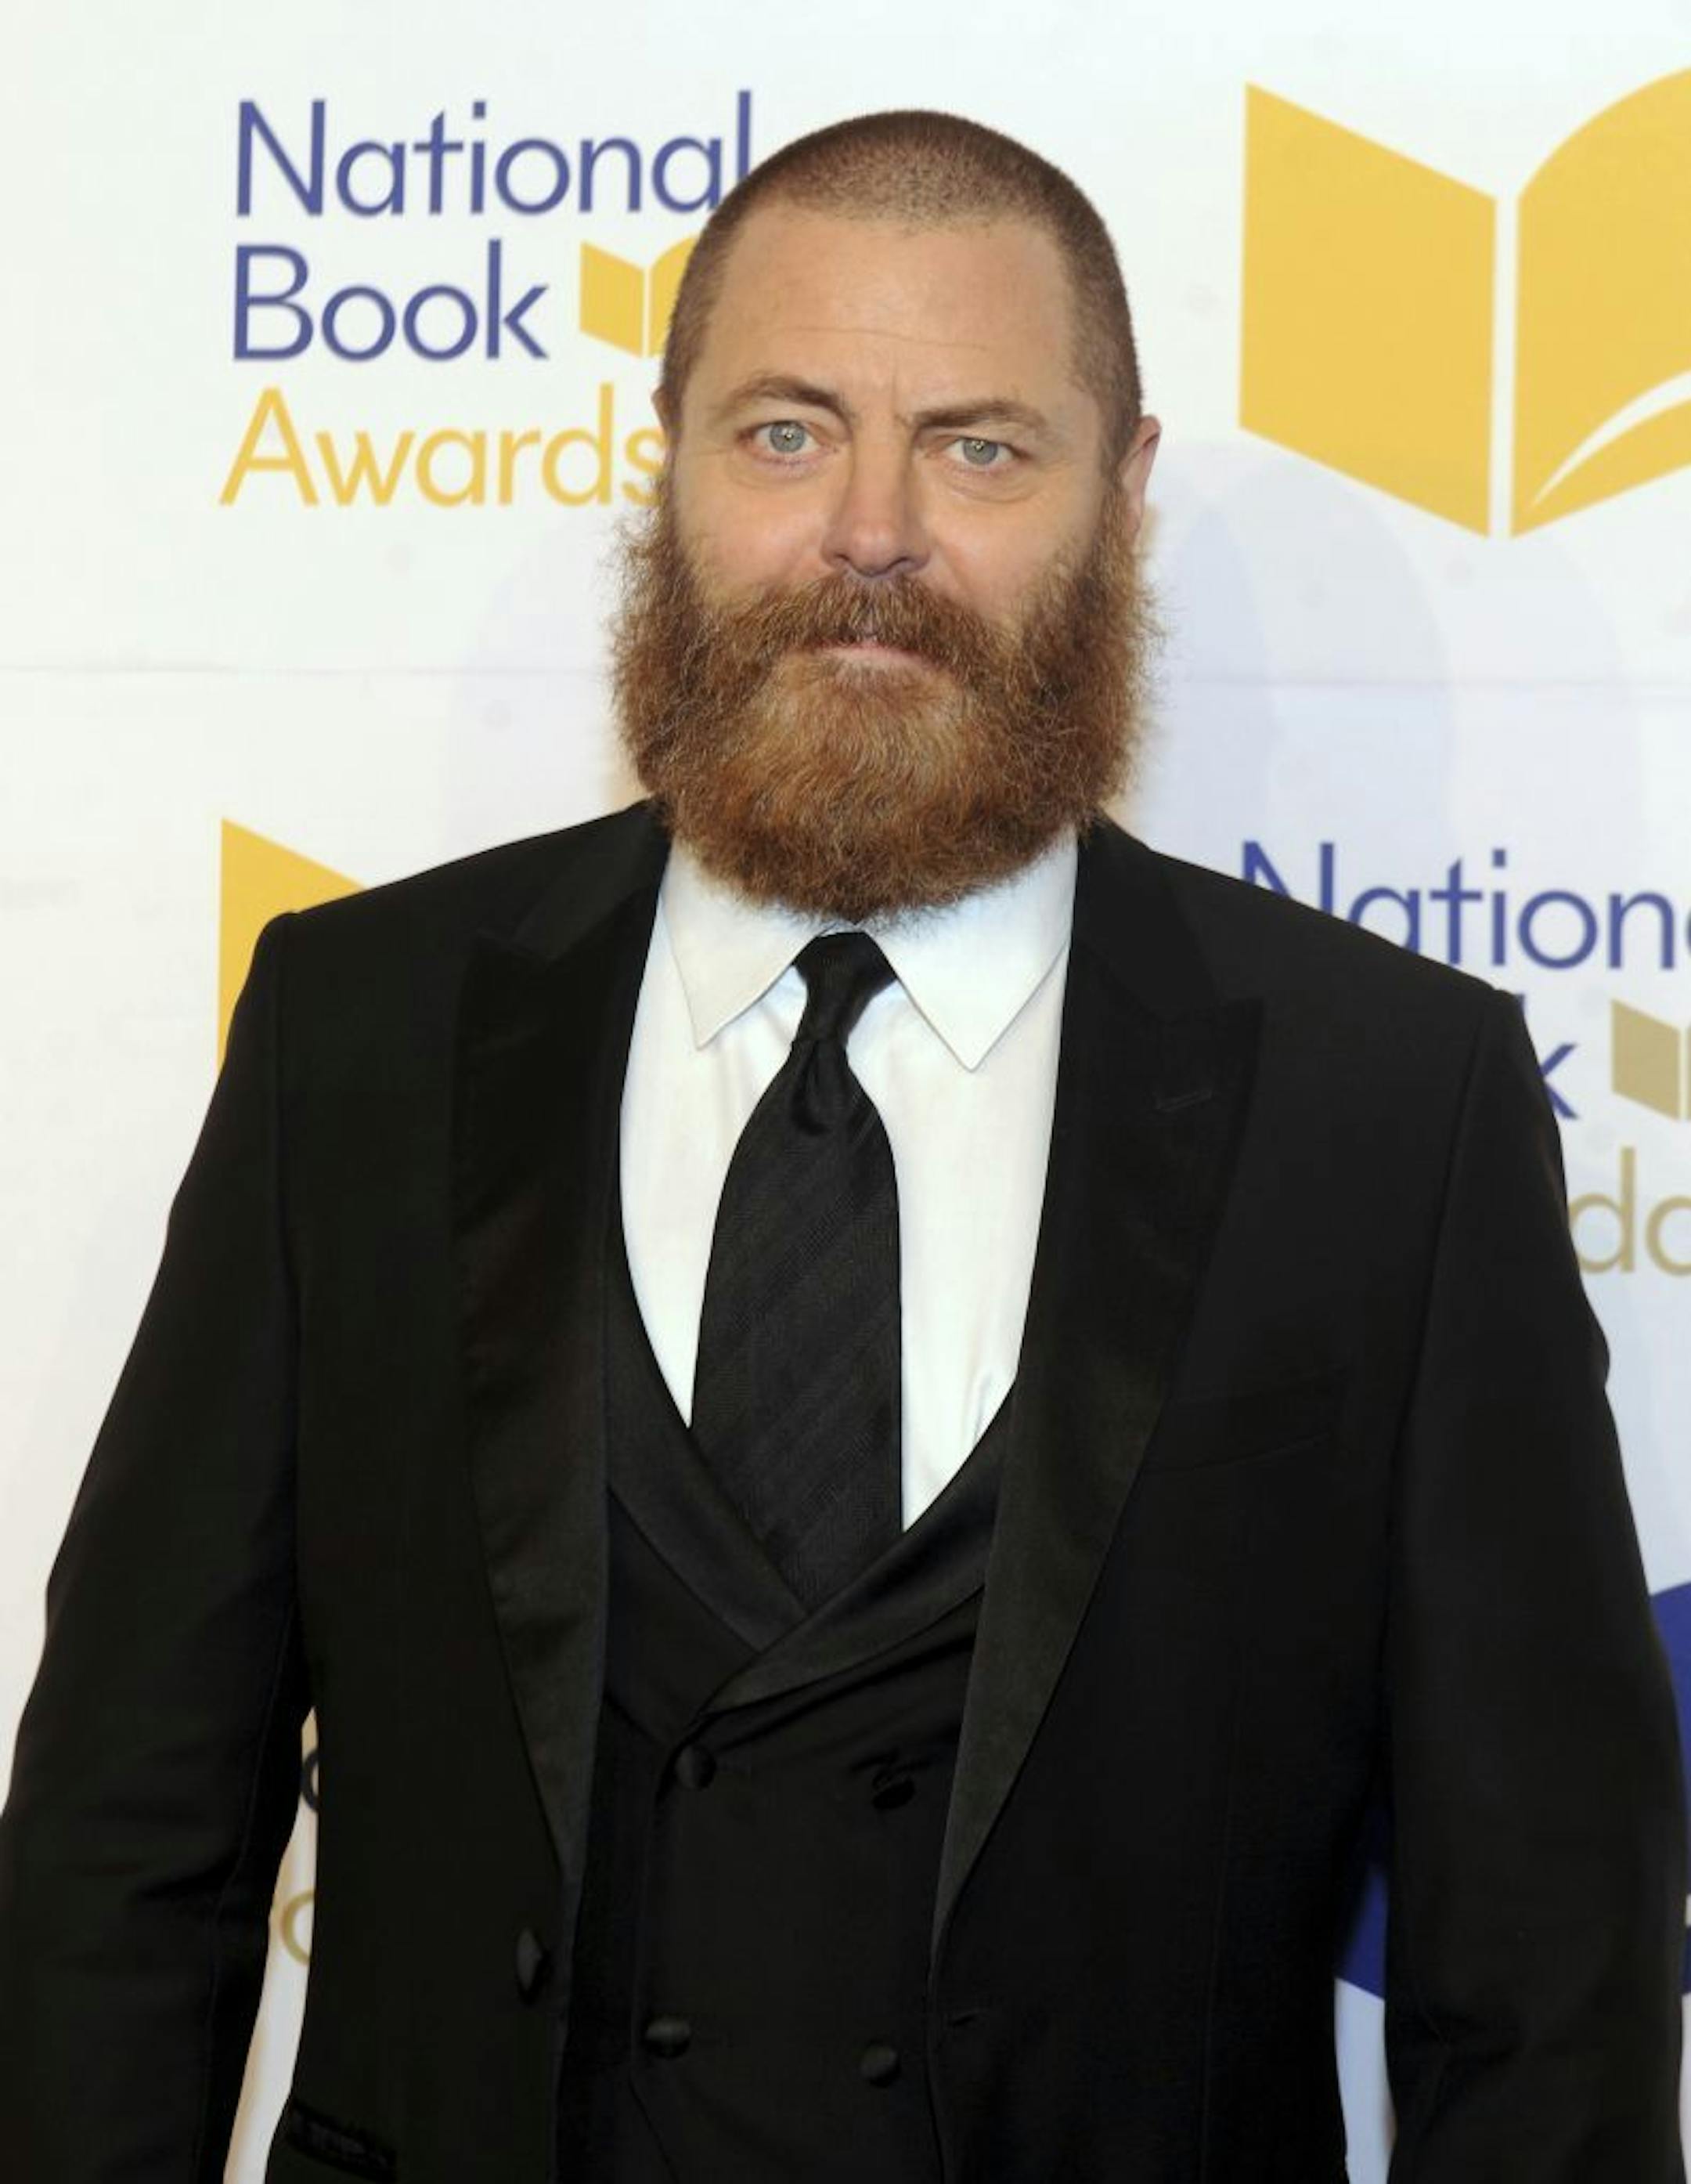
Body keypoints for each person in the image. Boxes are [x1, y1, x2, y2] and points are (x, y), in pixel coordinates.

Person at [0, 107, 1683, 2184]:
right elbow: (124, 1849)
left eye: (982, 447)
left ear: (1120, 496)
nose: (871, 531)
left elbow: (1550, 1963)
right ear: (672, 461)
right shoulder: (363, 1034)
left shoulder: (1387, 1106)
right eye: (787, 433)